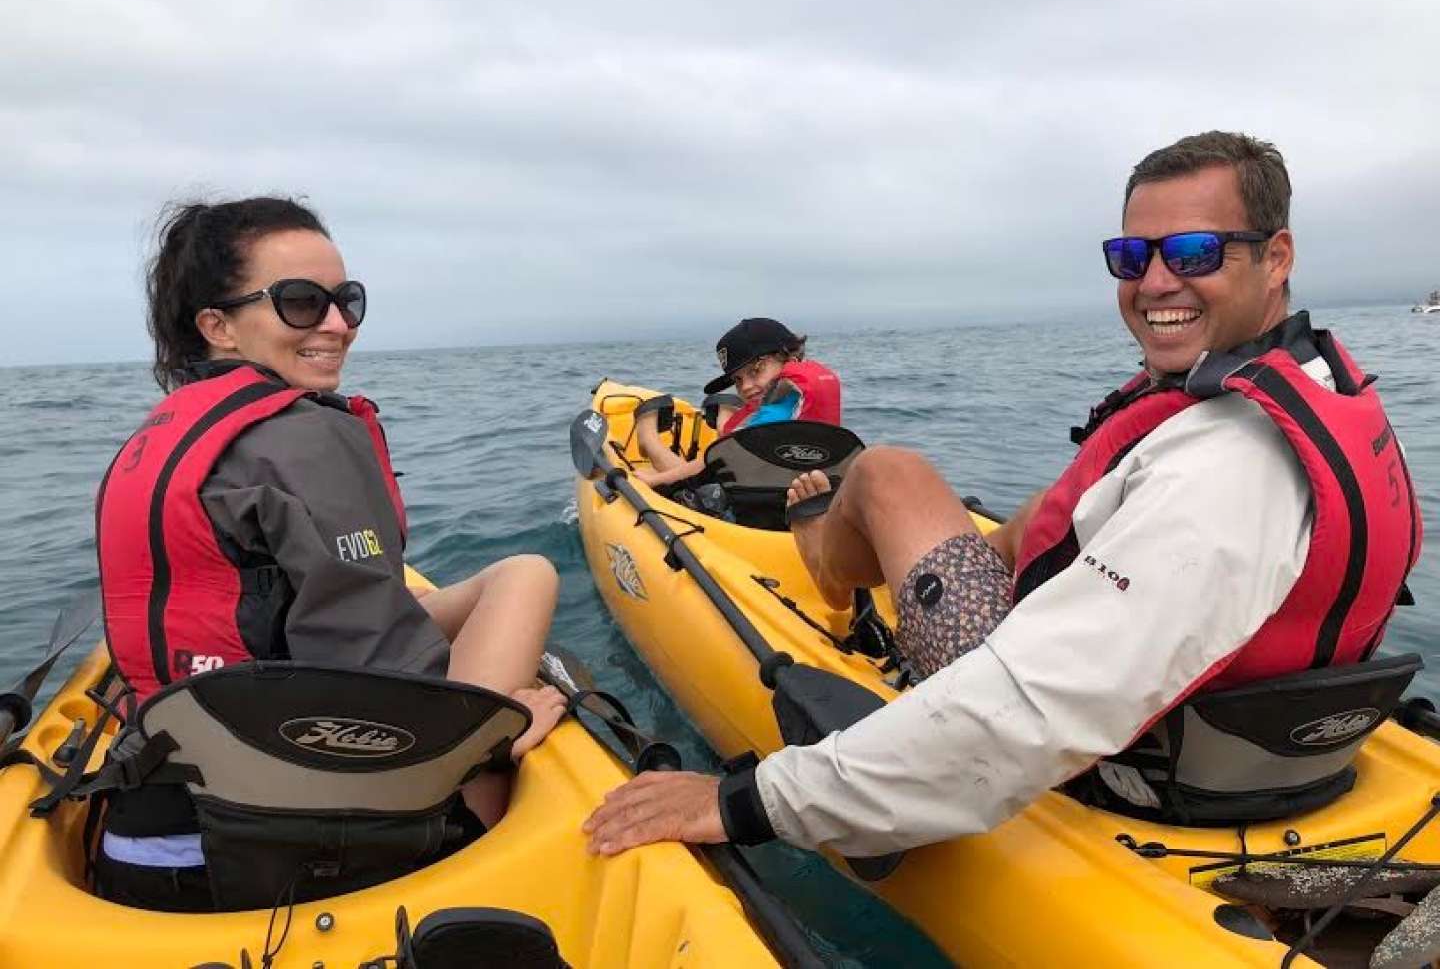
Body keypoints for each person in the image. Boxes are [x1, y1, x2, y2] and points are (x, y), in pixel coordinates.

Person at [582, 131, 1422, 859]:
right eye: (1132, 258)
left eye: (1195, 253)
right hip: (1251, 747)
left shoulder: (1228, 466)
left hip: (1122, 768)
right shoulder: (1316, 388)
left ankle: (828, 571)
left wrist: (746, 802)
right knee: (1055, 501)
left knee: (887, 472)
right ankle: (910, 559)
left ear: (1276, 257)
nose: (1156, 281)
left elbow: (1026, 714)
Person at [94, 198, 567, 907]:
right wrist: (496, 735)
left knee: (496, 579)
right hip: (268, 847)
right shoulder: (304, 438)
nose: (338, 325)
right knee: (529, 583)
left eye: (346, 301)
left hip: (141, 841)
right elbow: (379, 672)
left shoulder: (154, 439)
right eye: (301, 303)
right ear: (217, 325)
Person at [634, 317, 841, 489]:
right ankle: (724, 418)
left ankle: (649, 441)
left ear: (791, 361)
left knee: (699, 472)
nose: (746, 387)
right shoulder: (799, 402)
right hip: (774, 488)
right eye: (737, 380)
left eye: (756, 370)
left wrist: (655, 480)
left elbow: (707, 464)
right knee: (730, 444)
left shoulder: (774, 415)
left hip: (751, 496)